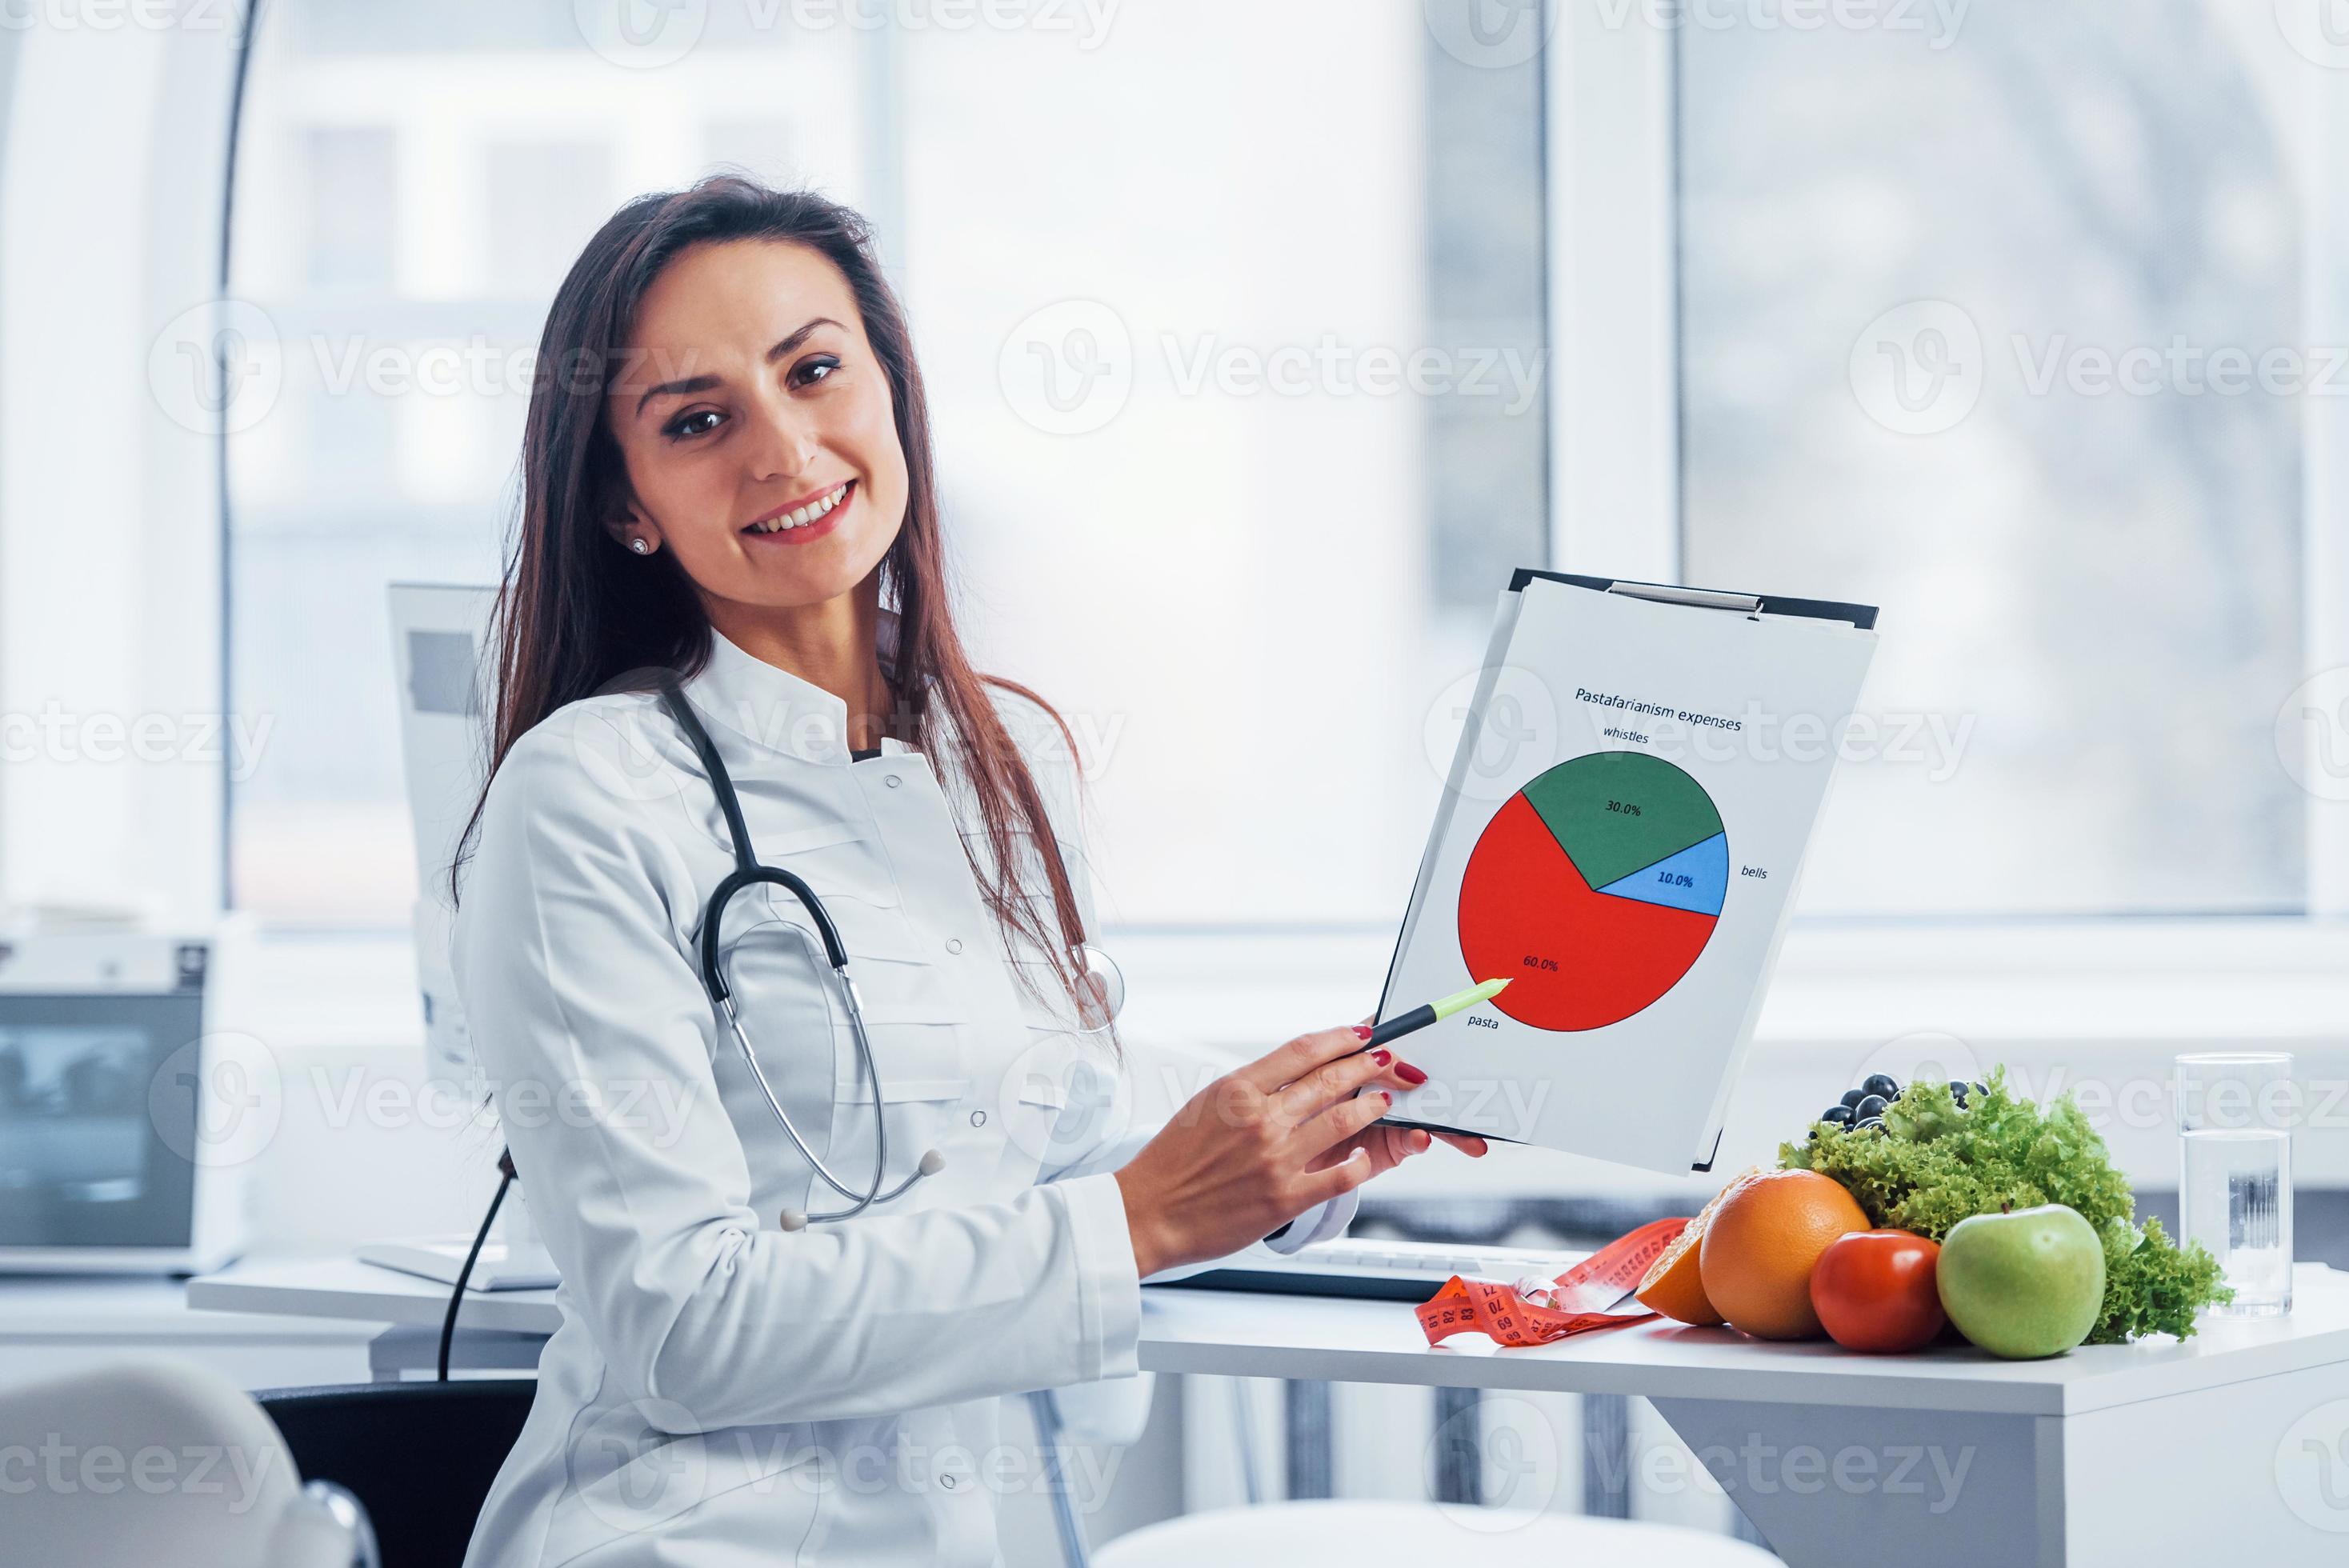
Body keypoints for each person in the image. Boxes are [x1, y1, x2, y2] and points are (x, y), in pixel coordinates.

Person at [447, 174, 1486, 1567]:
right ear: (628, 507)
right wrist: (1138, 1219)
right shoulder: (586, 795)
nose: (783, 447)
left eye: (816, 371)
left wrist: (1340, 1110)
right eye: (699, 421)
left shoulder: (1000, 761)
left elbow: (1052, 1110)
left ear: (892, 398)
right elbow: (681, 1328)